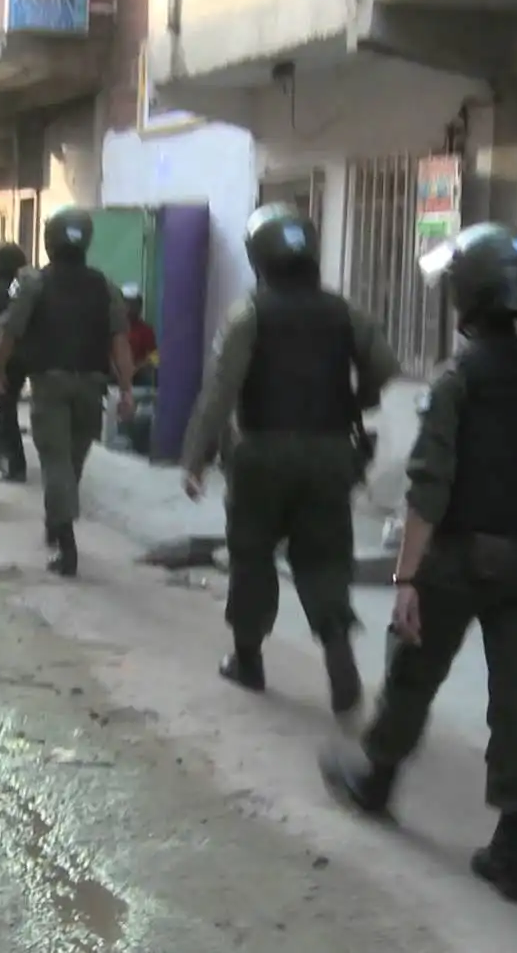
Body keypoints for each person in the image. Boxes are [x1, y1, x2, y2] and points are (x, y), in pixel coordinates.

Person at [320, 222, 517, 906]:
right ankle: (513, 852)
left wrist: (406, 577)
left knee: (413, 670)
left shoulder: (459, 380)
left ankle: (376, 781)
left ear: (466, 297)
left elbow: (429, 489)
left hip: (456, 560)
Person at [179, 203, 399, 715]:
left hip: (261, 454)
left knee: (252, 554)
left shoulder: (249, 314)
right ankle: (338, 647)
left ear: (259, 258)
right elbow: (385, 366)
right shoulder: (345, 312)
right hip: (329, 454)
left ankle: (248, 660)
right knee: (324, 557)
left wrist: (195, 457)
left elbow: (219, 391)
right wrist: (360, 396)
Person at [0, 209, 135, 574]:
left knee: (57, 463)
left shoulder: (34, 283)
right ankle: (57, 522)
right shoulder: (105, 286)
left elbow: (10, 332)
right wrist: (127, 390)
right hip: (92, 384)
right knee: (72, 461)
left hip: (51, 384)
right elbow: (121, 343)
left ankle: (65, 544)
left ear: (49, 240)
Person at [0, 243, 31, 483]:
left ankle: (15, 463)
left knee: (6, 407)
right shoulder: (21, 287)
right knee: (7, 405)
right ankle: (0, 452)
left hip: (4, 354)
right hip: (23, 355)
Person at [123, 284, 158, 385]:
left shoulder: (146, 330)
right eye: (126, 303)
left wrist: (138, 367)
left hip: (138, 376)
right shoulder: (113, 327)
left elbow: (155, 356)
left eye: (133, 304)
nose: (129, 307)